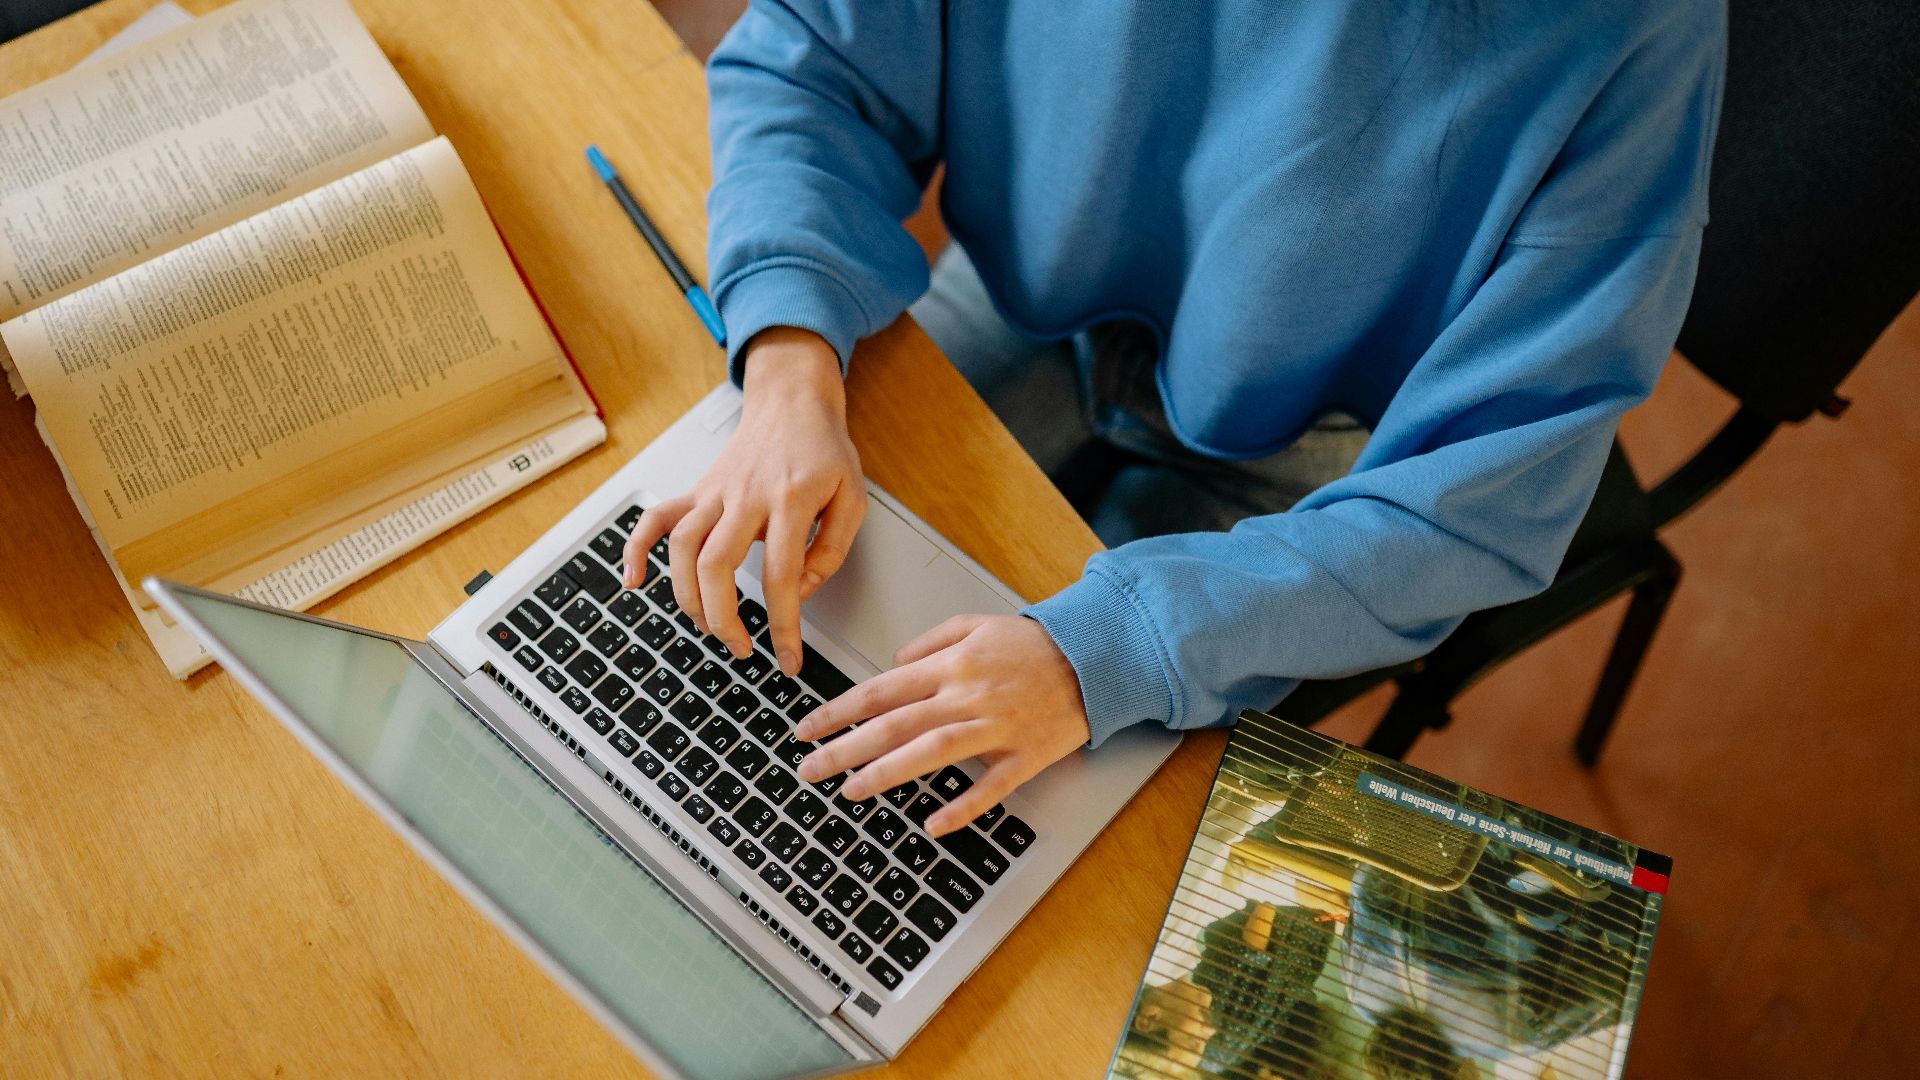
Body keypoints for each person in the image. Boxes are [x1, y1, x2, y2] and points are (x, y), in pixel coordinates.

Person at [621, 1, 1725, 837]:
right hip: (1028, 298)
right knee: (705, 670)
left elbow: (1480, 502)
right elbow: (818, 56)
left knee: (989, 832)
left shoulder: (1637, 35)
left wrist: (1104, 654)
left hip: (1319, 453)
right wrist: (790, 366)